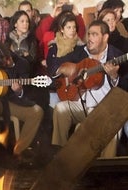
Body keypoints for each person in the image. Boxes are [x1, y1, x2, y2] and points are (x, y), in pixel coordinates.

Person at [51, 20, 123, 148]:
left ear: (105, 37)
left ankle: (104, 166)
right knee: (60, 108)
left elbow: (125, 88)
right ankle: (58, 154)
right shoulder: (80, 51)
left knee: (115, 128)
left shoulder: (116, 55)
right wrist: (64, 69)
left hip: (105, 108)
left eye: (94, 35)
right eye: (89, 34)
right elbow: (55, 65)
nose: (89, 38)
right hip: (82, 106)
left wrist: (113, 76)